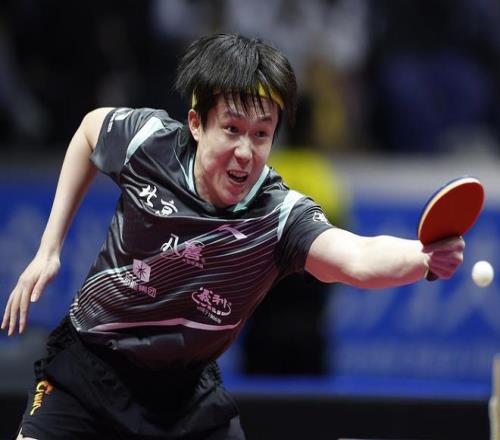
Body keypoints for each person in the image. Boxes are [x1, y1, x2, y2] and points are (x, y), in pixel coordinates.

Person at [2, 33, 464, 440]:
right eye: (232, 130)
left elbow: (356, 257)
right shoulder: (149, 143)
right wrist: (49, 249)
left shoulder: (278, 217)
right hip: (88, 372)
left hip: (184, 401)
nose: (246, 151)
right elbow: (90, 130)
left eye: (261, 134)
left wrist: (422, 257)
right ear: (196, 123)